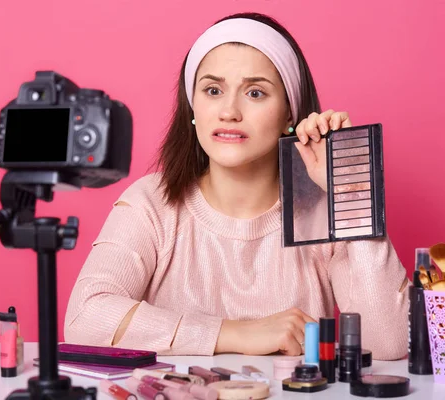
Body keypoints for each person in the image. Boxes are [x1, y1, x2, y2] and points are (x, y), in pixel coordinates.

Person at [64, 12, 410, 360]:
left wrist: (349, 192)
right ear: (193, 106)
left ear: (289, 113)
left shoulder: (323, 211)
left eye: (255, 92)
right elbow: (84, 319)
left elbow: (388, 344)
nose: (229, 111)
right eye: (213, 90)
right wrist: (235, 334)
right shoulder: (150, 203)